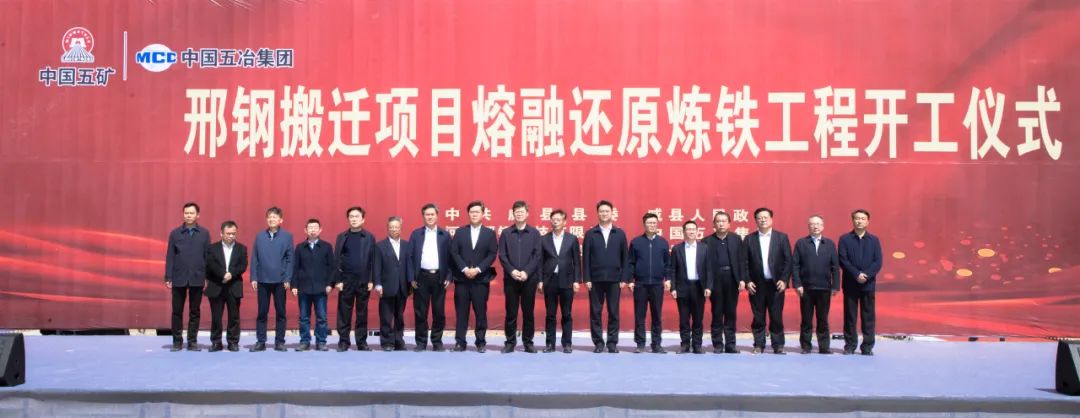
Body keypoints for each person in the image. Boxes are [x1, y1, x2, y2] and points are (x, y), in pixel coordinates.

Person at [450, 200, 498, 352]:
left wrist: (478, 269)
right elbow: (454, 252)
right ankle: (460, 342)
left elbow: (492, 254)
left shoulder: (489, 233)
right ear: (468, 214)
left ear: (483, 214)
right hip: (462, 279)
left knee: (480, 312)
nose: (474, 214)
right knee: (461, 313)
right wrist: (464, 269)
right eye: (472, 212)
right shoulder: (460, 232)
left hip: (480, 279)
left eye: (477, 212)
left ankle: (481, 342)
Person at [582, 200, 629, 353]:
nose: (604, 213)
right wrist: (586, 278)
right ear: (597, 213)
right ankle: (598, 343)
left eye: (607, 211)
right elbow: (586, 258)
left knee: (613, 313)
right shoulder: (591, 234)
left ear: (612, 213)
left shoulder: (619, 234)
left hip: (615, 280)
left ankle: (612, 343)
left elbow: (625, 258)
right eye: (601, 211)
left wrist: (624, 278)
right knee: (595, 312)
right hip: (595, 280)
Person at [743, 207, 792, 354]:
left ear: (771, 219)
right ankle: (759, 344)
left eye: (765, 217)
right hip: (756, 285)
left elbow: (788, 261)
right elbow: (744, 262)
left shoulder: (781, 237)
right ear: (756, 221)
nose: (763, 220)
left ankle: (778, 345)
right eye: (759, 218)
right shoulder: (749, 239)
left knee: (776, 316)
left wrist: (784, 280)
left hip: (776, 284)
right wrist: (747, 281)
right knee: (758, 316)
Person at [164, 202, 210, 352]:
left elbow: (207, 257)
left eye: (191, 213)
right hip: (179, 277)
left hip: (197, 277)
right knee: (177, 311)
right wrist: (168, 277)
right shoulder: (175, 233)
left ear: (198, 215)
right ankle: (177, 341)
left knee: (194, 311)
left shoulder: (204, 234)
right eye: (186, 213)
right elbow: (170, 256)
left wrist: (207, 277)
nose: (188, 215)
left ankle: (192, 341)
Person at [498, 200, 542, 353]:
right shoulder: (506, 233)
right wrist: (512, 271)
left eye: (522, 211)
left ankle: (528, 342)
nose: (519, 214)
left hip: (529, 279)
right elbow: (502, 255)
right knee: (511, 312)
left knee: (528, 312)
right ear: (513, 214)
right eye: (516, 212)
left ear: (527, 214)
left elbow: (537, 255)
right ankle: (510, 342)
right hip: (511, 279)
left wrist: (526, 272)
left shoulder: (534, 233)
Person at [792, 215, 840, 354]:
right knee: (806, 319)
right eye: (812, 224)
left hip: (824, 288)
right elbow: (795, 265)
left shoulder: (829, 244)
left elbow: (835, 267)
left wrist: (835, 286)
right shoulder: (801, 243)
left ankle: (824, 347)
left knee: (823, 319)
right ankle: (806, 346)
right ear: (808, 226)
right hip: (806, 288)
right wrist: (797, 284)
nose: (815, 226)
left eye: (818, 224)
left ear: (823, 226)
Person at [702, 211, 748, 354]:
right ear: (713, 224)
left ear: (729, 224)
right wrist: (707, 285)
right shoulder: (706, 241)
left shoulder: (736, 239)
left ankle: (730, 344)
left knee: (730, 312)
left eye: (723, 221)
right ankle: (717, 344)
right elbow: (704, 266)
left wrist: (742, 279)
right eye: (718, 221)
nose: (721, 224)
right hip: (715, 279)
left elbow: (741, 260)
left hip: (731, 278)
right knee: (717, 312)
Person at [408, 203, 453, 352]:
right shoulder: (416, 234)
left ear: (437, 216)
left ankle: (437, 341)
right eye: (427, 214)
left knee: (438, 312)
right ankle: (421, 342)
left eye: (432, 214)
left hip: (439, 278)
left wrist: (449, 276)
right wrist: (411, 278)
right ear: (423, 216)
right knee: (420, 312)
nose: (430, 217)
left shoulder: (444, 235)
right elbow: (410, 257)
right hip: (421, 277)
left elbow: (451, 258)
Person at [838, 209, 883, 356]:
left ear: (868, 221)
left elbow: (878, 261)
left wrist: (866, 275)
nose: (859, 221)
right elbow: (843, 260)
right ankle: (850, 345)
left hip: (868, 284)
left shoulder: (874, 240)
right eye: (857, 218)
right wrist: (856, 274)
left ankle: (867, 346)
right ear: (853, 220)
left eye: (863, 219)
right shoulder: (845, 239)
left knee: (868, 316)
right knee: (850, 316)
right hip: (850, 283)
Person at [332, 206, 377, 352]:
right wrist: (337, 280)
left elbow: (373, 260)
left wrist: (371, 279)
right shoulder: (342, 237)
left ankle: (361, 342)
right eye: (351, 216)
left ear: (363, 219)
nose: (354, 219)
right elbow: (337, 259)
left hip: (363, 280)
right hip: (346, 280)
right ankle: (343, 342)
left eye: (357, 216)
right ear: (348, 219)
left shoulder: (369, 237)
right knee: (344, 312)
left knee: (362, 313)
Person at [250, 206, 294, 352]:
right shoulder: (259, 236)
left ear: (281, 220)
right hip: (263, 280)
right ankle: (261, 341)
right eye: (269, 217)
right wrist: (254, 277)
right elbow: (255, 257)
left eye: (275, 217)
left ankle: (280, 342)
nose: (272, 219)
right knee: (262, 312)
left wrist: (288, 277)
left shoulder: (287, 237)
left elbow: (290, 259)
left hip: (280, 281)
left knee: (281, 312)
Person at [628, 212, 670, 354]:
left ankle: (656, 344)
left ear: (657, 224)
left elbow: (667, 264)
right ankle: (640, 344)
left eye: (654, 223)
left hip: (657, 284)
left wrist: (668, 279)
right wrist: (630, 280)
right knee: (640, 315)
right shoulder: (636, 242)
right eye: (649, 223)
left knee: (657, 315)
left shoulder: (663, 242)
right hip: (640, 284)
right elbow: (631, 263)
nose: (652, 225)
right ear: (644, 224)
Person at [539, 209, 580, 353]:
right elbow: (540, 262)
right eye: (553, 219)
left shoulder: (572, 239)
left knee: (566, 314)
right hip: (550, 280)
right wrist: (540, 280)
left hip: (567, 280)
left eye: (558, 219)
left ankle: (567, 344)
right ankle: (550, 344)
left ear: (564, 222)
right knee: (550, 314)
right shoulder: (544, 239)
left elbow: (577, 261)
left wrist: (577, 280)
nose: (555, 221)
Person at [291, 219, 334, 352]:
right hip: (304, 288)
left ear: (320, 230)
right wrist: (294, 285)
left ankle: (321, 341)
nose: (313, 230)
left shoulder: (326, 247)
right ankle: (304, 341)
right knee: (304, 317)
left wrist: (329, 284)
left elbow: (331, 267)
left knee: (321, 317)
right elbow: (295, 268)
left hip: (321, 288)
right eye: (310, 227)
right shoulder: (300, 247)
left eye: (315, 227)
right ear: (305, 230)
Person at [204, 220, 247, 352]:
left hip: (234, 286)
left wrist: (231, 274)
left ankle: (233, 342)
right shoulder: (212, 248)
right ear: (221, 233)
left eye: (233, 233)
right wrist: (223, 274)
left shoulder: (241, 248)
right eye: (228, 233)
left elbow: (242, 265)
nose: (231, 236)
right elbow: (211, 264)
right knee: (216, 317)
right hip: (216, 285)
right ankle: (216, 342)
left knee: (234, 317)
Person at [668, 221, 710, 354]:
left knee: (698, 318)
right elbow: (673, 270)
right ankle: (685, 344)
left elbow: (709, 269)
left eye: (693, 229)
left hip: (699, 287)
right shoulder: (677, 249)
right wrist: (673, 288)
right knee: (684, 319)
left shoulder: (704, 248)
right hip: (682, 287)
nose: (691, 232)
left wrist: (708, 287)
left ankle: (697, 345)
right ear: (684, 232)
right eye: (688, 229)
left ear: (697, 231)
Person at [374, 216, 414, 351]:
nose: (394, 229)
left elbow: (409, 265)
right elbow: (377, 266)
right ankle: (386, 342)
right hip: (386, 287)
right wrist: (378, 284)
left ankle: (398, 341)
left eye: (396, 227)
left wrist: (410, 283)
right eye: (391, 227)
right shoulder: (380, 246)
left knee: (399, 316)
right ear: (387, 228)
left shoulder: (407, 245)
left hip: (403, 287)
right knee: (386, 317)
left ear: (401, 228)